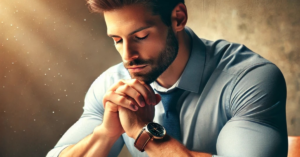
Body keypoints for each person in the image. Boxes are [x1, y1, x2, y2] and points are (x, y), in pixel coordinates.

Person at [47, 0, 288, 157]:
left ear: (178, 18)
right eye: (117, 40)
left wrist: (146, 134)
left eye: (140, 36)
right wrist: (105, 133)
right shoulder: (111, 86)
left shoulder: (249, 79)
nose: (127, 55)